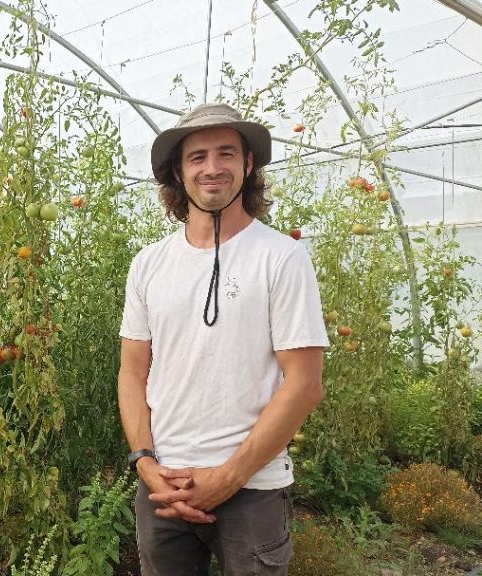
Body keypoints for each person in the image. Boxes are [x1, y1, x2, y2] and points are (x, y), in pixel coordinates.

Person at [117, 102, 329, 575]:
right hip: (163, 485)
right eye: (197, 157)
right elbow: (132, 372)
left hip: (252, 490)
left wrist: (229, 477)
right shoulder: (149, 264)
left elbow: (304, 384)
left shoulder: (281, 258)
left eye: (226, 153)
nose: (212, 167)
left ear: (248, 164)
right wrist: (144, 463)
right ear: (178, 172)